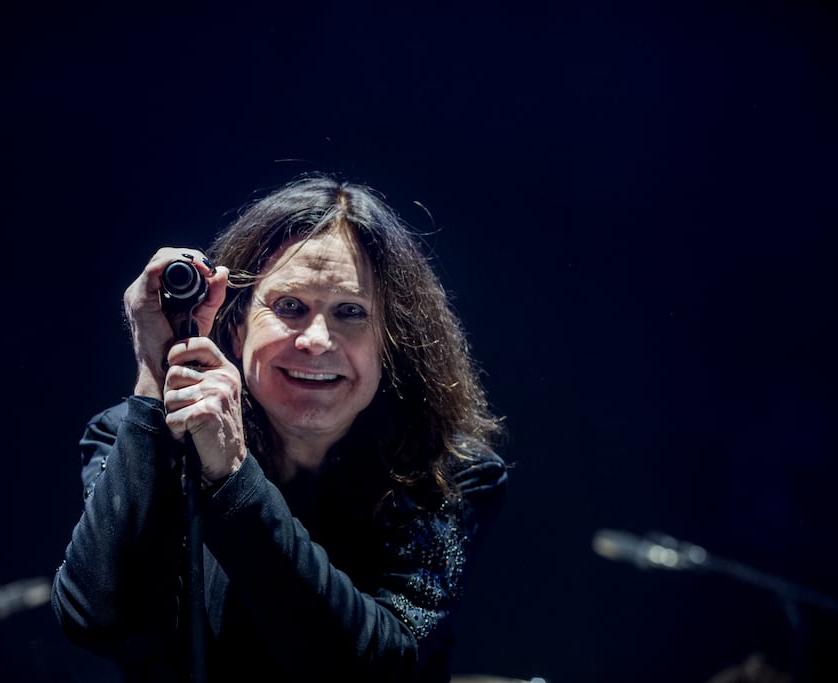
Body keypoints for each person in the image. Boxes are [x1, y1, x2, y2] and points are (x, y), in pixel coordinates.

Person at [51, 173, 509, 683]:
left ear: (391, 341)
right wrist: (154, 383)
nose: (316, 339)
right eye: (290, 307)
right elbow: (101, 621)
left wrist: (232, 477)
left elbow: (379, 668)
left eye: (350, 312)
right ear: (236, 324)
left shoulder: (450, 473)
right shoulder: (132, 436)